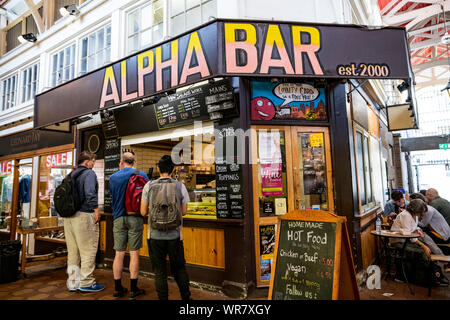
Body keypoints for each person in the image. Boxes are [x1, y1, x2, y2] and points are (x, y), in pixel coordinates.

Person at [140, 155, 191, 300]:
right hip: (175, 236)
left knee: (159, 271)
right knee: (180, 269)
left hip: (154, 236)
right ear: (173, 169)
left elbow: (143, 212)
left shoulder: (148, 186)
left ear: (158, 169)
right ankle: (186, 298)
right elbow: (184, 211)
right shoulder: (180, 186)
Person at [109, 152, 149, 299]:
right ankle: (133, 289)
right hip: (135, 217)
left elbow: (112, 197)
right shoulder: (142, 174)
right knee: (134, 253)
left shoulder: (113, 178)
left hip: (119, 218)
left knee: (118, 254)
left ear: (121, 162)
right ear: (134, 162)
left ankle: (118, 288)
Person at [64, 151, 104, 292]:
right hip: (84, 216)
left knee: (73, 252)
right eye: (93, 161)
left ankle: (73, 282)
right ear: (87, 161)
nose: (93, 164)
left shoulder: (71, 174)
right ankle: (87, 282)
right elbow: (90, 193)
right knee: (88, 250)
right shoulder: (89, 174)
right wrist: (96, 210)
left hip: (69, 218)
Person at [390, 199, 448, 286]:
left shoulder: (412, 215)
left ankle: (434, 276)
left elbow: (413, 227)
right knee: (422, 252)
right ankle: (422, 278)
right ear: (416, 209)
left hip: (406, 240)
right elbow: (408, 235)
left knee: (426, 249)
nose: (423, 213)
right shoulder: (405, 215)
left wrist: (418, 229)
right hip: (398, 242)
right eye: (421, 211)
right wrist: (423, 246)